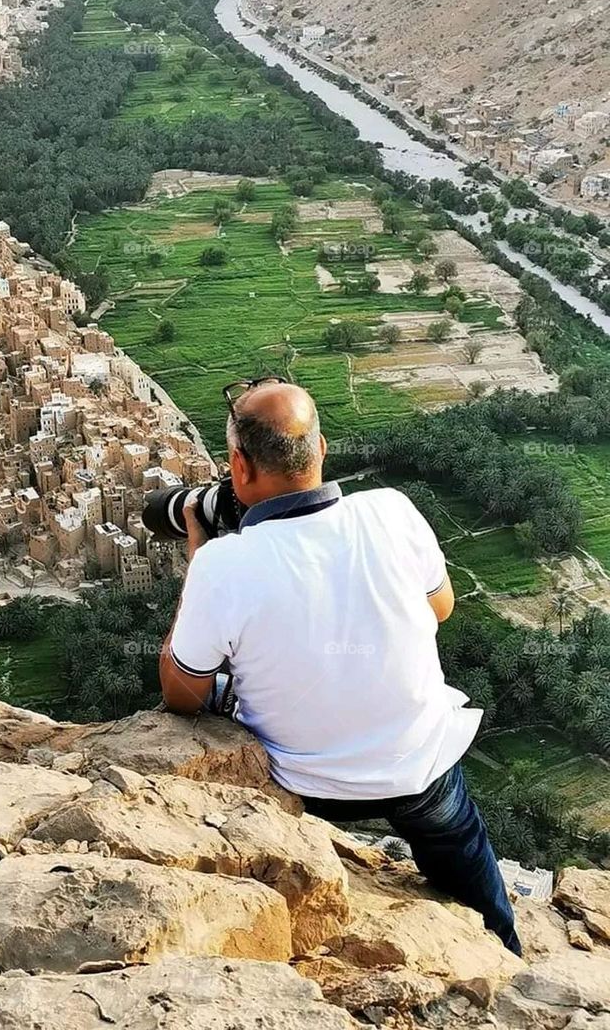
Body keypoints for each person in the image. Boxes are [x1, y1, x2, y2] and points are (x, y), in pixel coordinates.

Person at [159, 377, 521, 956]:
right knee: (463, 848)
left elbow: (180, 691)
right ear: (321, 449)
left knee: (226, 686)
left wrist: (200, 559)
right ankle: (507, 952)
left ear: (239, 469)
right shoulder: (392, 511)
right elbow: (440, 607)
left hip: (306, 783)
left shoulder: (223, 564)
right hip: (417, 766)